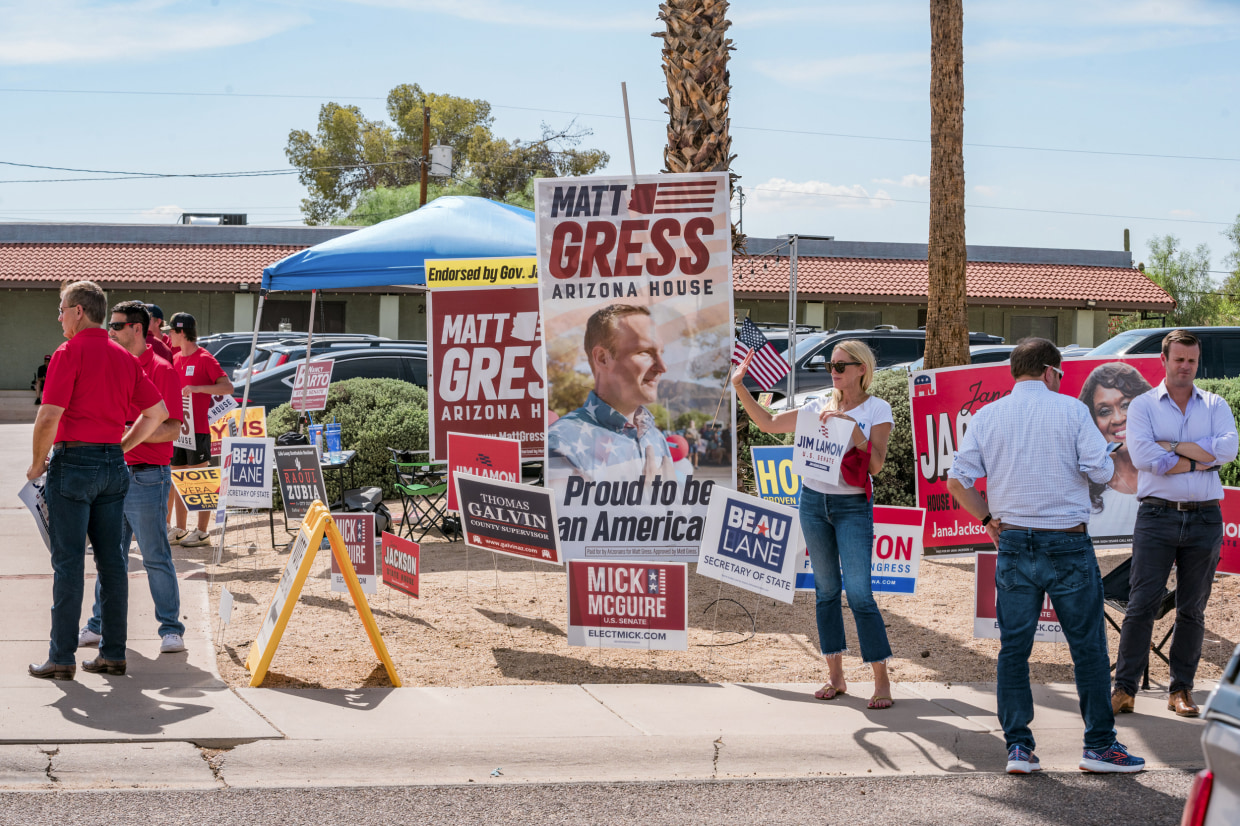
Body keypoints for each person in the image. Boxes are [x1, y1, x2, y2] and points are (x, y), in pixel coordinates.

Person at [946, 337, 1145, 774]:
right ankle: (1098, 746)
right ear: (1052, 371)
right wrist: (1109, 460)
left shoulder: (987, 416)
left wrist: (986, 520)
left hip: (1014, 541)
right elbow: (1099, 471)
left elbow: (957, 481)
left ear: (1016, 372)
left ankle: (1018, 747)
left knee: (1013, 649)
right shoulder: (1072, 411)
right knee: (1088, 649)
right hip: (1067, 542)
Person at [732, 339, 897, 711]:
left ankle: (881, 681)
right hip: (812, 502)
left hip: (852, 506)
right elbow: (769, 423)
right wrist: (741, 387)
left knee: (859, 595)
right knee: (825, 592)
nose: (834, 371)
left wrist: (852, 428)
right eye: (830, 366)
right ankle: (836, 676)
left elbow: (875, 467)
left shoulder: (877, 409)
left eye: (841, 365)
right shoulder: (816, 405)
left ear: (861, 370)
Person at [27, 281, 167, 680]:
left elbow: (49, 415)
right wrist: (122, 446)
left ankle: (61, 657)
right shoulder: (124, 357)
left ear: (78, 311)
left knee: (69, 563)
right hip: (112, 463)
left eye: (61, 308)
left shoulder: (68, 353)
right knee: (113, 563)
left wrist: (38, 462)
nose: (58, 317)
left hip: (74, 463)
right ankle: (113, 653)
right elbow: (156, 412)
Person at [1113, 329, 1238, 718]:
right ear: (1163, 361)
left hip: (1205, 519)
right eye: (1179, 359)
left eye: (1192, 361)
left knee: (1192, 610)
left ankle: (1180, 690)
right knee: (1141, 605)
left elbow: (1229, 449)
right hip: (1157, 515)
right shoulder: (1144, 406)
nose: (1185, 367)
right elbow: (1146, 456)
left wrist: (1171, 446)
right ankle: (1124, 689)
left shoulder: (1215, 404)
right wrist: (1203, 457)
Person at [79, 301, 188, 656]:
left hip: (146, 477)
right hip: (113, 475)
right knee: (111, 558)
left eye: (117, 325)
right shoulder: (111, 365)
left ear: (137, 329)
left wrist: (123, 436)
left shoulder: (161, 369)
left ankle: (171, 628)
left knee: (155, 555)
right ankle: (97, 624)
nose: (110, 331)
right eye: (109, 325)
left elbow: (171, 428)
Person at [547, 304, 673, 483]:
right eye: (645, 352)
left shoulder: (656, 437)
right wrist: (648, 504)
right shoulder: (560, 443)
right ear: (602, 358)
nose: (663, 367)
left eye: (661, 353)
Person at [167, 312, 233, 547]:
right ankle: (181, 529)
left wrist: (197, 388)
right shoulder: (174, 358)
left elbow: (227, 387)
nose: (169, 336)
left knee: (199, 481)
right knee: (179, 480)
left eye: (171, 331)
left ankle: (203, 532)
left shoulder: (205, 358)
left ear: (182, 332)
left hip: (198, 430)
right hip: (179, 429)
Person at [1077, 362, 1153, 539]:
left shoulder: (1169, 472)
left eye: (1126, 405)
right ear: (1094, 421)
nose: (1118, 418)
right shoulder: (1083, 491)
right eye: (1104, 411)